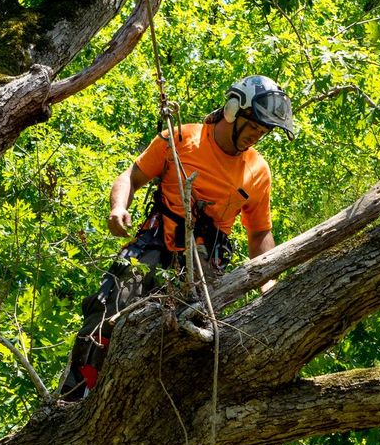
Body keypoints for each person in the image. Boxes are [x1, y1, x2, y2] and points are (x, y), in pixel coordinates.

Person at [59, 75, 295, 401]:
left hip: (205, 263)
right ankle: (73, 397)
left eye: (264, 130)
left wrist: (268, 283)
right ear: (232, 110)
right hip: (155, 243)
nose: (258, 135)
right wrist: (118, 209)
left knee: (190, 341)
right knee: (106, 311)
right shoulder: (182, 138)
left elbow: (259, 234)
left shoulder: (257, 171)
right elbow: (132, 176)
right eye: (254, 125)